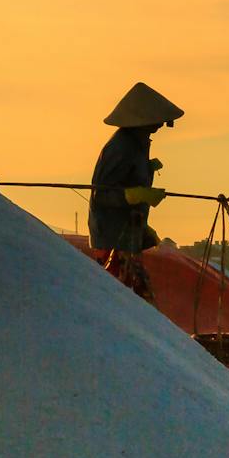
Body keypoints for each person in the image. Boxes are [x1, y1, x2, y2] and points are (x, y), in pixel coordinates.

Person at [88, 82, 182, 298]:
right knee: (122, 298)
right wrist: (135, 195)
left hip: (128, 235)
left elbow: (129, 179)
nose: (159, 126)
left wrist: (142, 225)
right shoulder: (121, 147)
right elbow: (102, 194)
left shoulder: (137, 145)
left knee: (138, 297)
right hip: (113, 239)